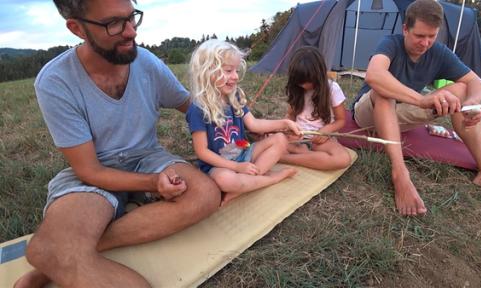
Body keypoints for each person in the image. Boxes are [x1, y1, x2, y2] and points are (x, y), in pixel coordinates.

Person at [15, 0, 220, 287]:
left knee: (205, 195)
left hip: (147, 156)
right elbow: (90, 171)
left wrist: (243, 125)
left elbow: (190, 106)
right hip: (93, 174)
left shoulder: (146, 62)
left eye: (132, 18)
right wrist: (154, 183)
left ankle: (60, 254)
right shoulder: (55, 81)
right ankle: (62, 249)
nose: (131, 31)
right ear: (77, 28)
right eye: (114, 23)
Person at [352, 0, 481, 216]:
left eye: (431, 36)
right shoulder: (391, 43)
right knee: (384, 90)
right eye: (419, 36)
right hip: (368, 114)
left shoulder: (438, 52)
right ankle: (400, 174)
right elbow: (375, 75)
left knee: (462, 89)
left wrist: (472, 103)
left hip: (400, 115)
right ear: (405, 29)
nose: (425, 43)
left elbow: (478, 83)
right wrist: (420, 100)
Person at [186, 39, 301, 205]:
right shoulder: (198, 109)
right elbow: (202, 152)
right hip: (219, 166)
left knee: (280, 139)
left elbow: (254, 125)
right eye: (228, 70)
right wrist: (236, 168)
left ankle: (246, 184)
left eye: (236, 70)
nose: (235, 76)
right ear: (207, 71)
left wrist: (284, 123)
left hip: (244, 152)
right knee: (225, 180)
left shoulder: (235, 97)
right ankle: (271, 179)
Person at [279, 46, 352, 170]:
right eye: (300, 82)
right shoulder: (296, 89)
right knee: (267, 139)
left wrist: (326, 130)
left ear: (319, 75)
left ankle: (283, 158)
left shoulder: (332, 89)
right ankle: (311, 157)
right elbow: (290, 115)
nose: (304, 85)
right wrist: (290, 128)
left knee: (343, 159)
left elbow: (341, 120)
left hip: (319, 139)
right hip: (297, 138)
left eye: (308, 81)